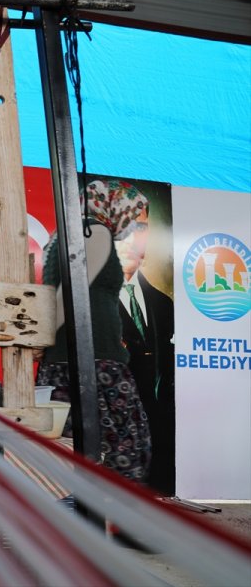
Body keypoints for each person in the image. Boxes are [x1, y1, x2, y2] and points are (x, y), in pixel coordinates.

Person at [37, 178, 152, 484]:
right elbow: (69, 294)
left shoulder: (61, 235)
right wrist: (44, 337)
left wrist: (45, 342)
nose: (129, 225)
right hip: (95, 360)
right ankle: (103, 521)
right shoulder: (96, 231)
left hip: (66, 359)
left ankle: (79, 519)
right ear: (113, 206)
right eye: (131, 216)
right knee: (118, 446)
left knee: (75, 447)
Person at [115, 200, 176, 495]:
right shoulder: (89, 305)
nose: (134, 236)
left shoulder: (166, 305)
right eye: (126, 227)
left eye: (141, 227)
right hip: (115, 458)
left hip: (163, 467)